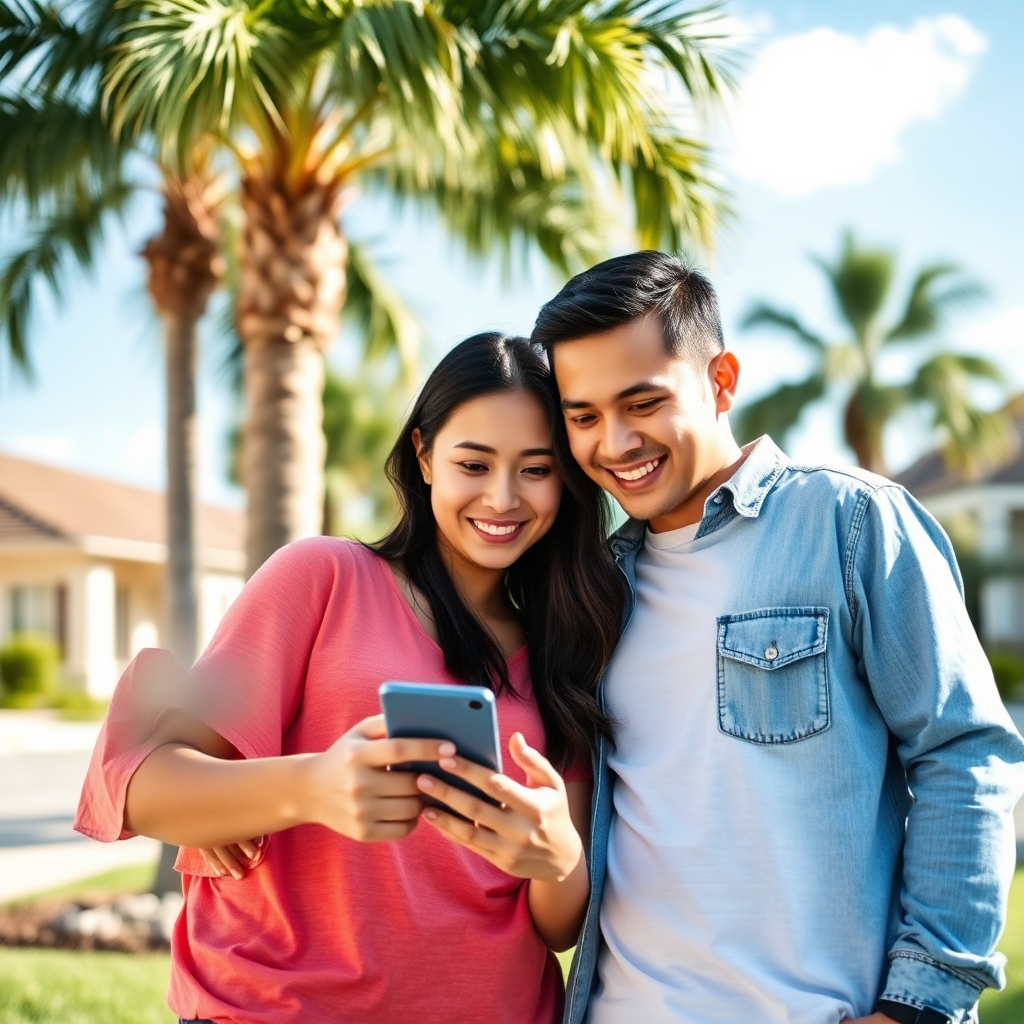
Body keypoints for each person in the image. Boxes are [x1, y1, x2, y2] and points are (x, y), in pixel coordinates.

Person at [530, 251, 1024, 1024]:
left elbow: (965, 752)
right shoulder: (593, 587)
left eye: (643, 403)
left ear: (722, 380)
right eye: (583, 416)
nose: (615, 442)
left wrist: (918, 1007)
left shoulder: (852, 524)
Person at [74, 332, 625, 1024]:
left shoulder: (564, 650)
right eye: (474, 463)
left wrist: (556, 855)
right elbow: (146, 789)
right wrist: (313, 787)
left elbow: (557, 927)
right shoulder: (322, 578)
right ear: (424, 455)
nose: (503, 497)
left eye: (536, 470)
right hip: (275, 1007)